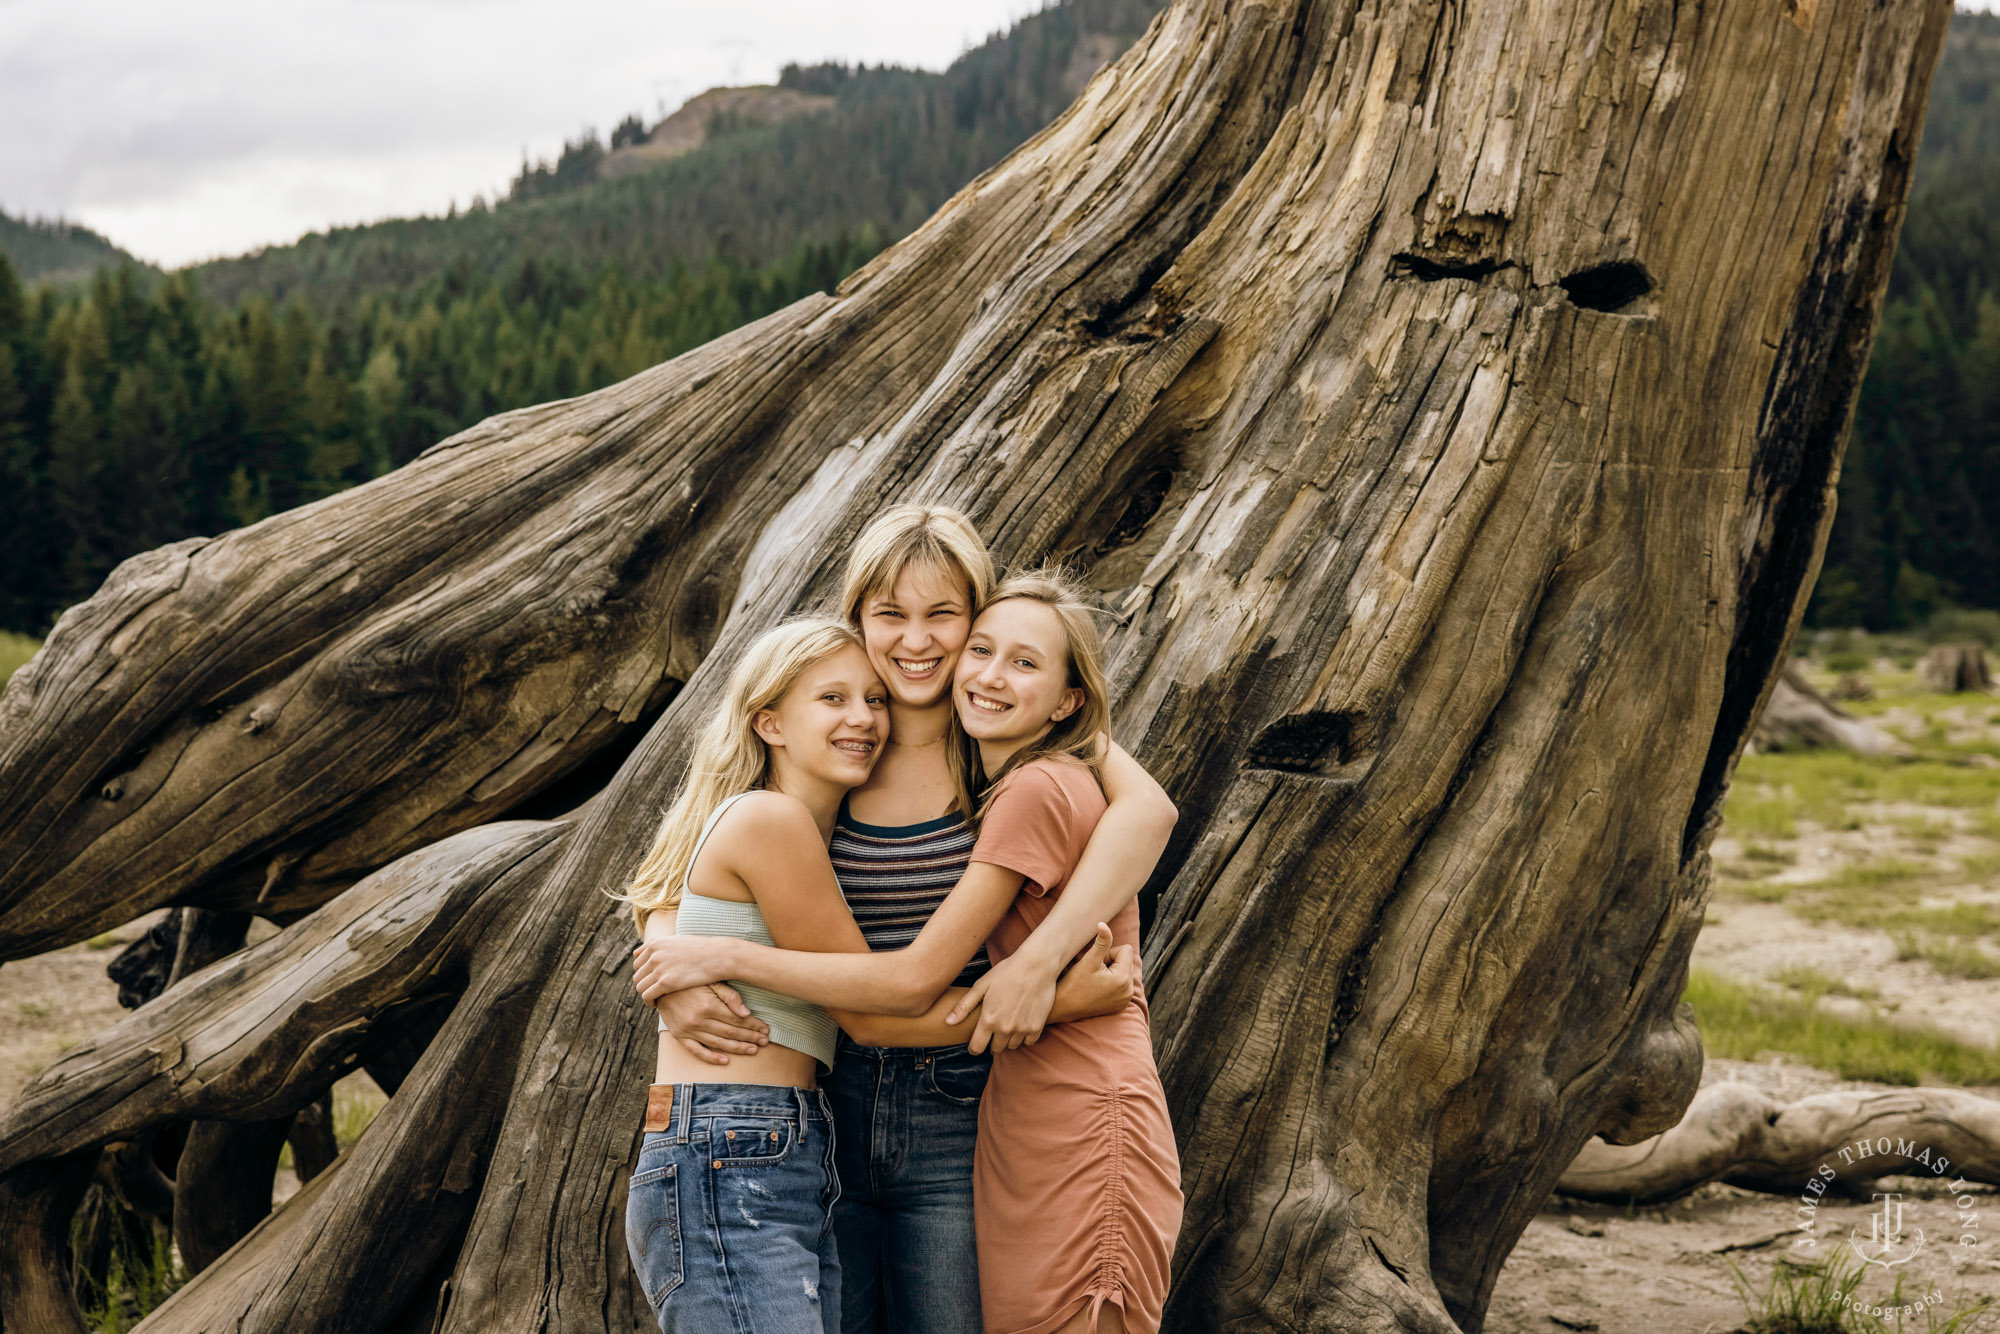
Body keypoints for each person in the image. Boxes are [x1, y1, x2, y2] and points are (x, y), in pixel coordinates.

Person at [639, 505, 1177, 1334]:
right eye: (889, 615)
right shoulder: (837, 733)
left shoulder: (999, 735)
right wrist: (673, 961)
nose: (916, 641)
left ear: (979, 620)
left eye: (945, 616)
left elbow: (1147, 812)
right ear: (859, 618)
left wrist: (1039, 968)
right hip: (827, 1100)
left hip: (961, 1094)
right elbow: (686, 868)